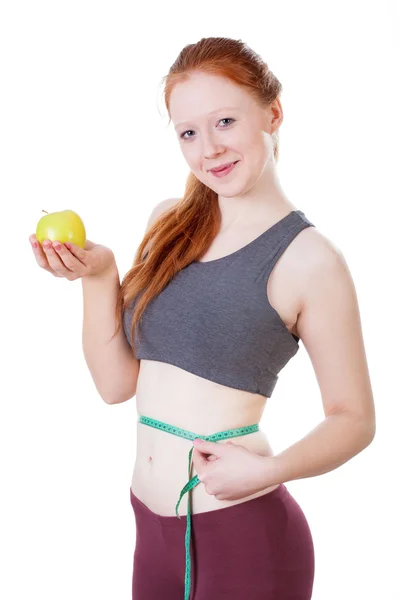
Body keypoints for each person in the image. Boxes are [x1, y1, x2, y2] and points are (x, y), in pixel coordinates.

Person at [29, 36, 376, 600]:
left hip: (244, 537)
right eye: (189, 132)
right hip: (150, 526)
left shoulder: (310, 260)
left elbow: (355, 418)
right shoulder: (169, 222)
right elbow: (116, 385)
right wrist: (99, 276)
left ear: (273, 113)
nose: (209, 148)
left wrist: (269, 470)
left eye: (225, 122)